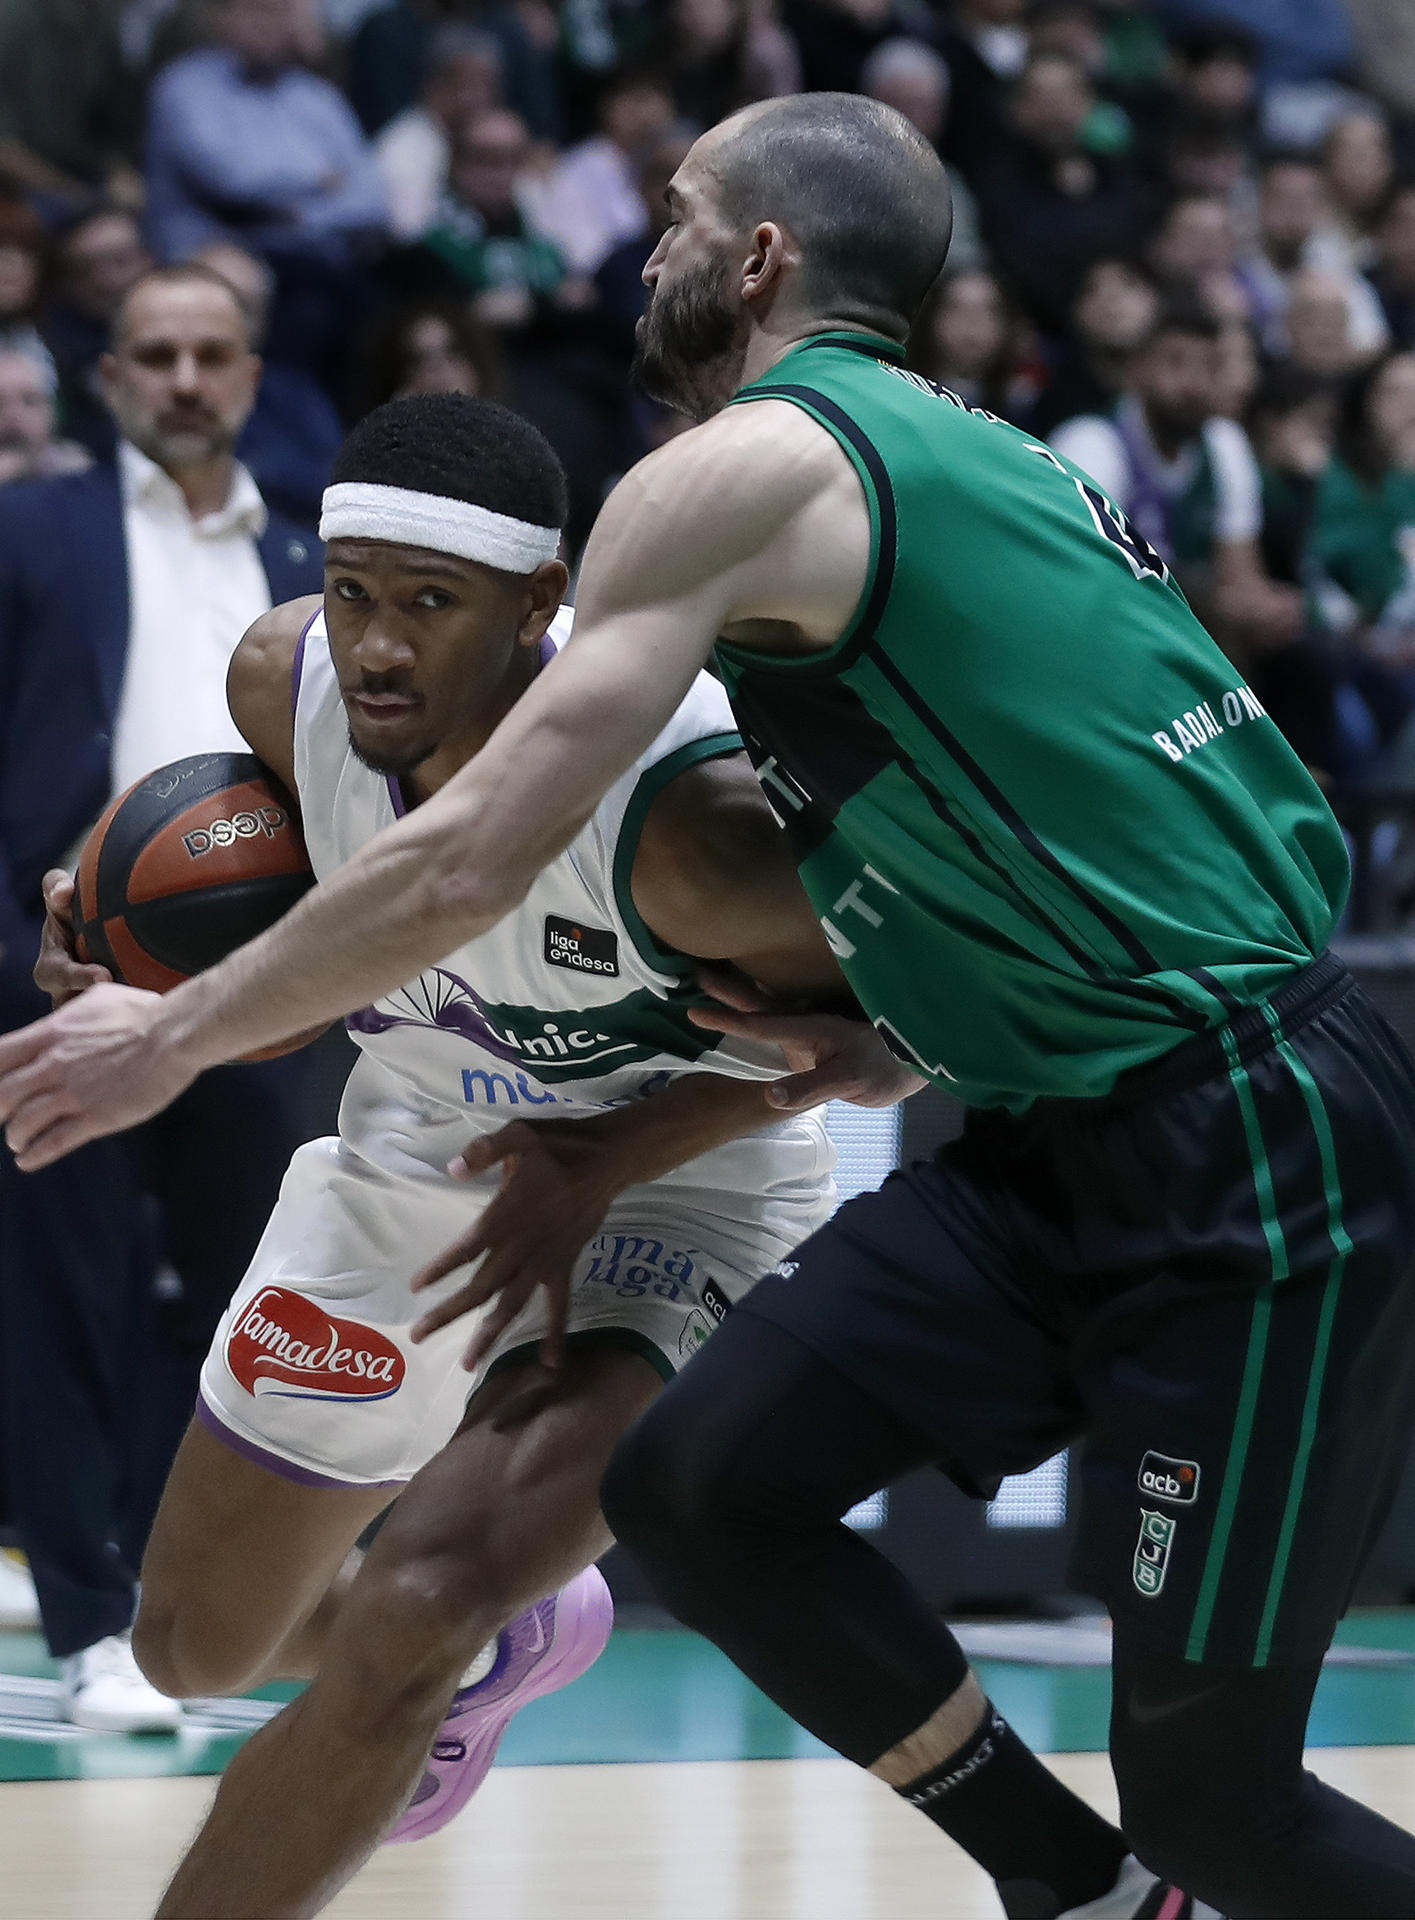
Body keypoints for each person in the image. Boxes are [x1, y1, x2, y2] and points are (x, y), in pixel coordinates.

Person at [6, 91, 1415, 1920]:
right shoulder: (970, 465)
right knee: (693, 1496)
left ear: (756, 258)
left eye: (674, 216)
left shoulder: (739, 484)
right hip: (1047, 1119)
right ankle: (1078, 1894)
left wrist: (171, 1041)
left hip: (1246, 1123)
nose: (640, 251)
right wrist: (167, 952)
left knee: (1219, 1805)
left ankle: (1126, 1874)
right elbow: (1028, 850)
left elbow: (471, 863)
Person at [74, 391, 1144, 1920]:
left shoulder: (691, 828)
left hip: (680, 1183)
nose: (376, 647)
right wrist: (128, 950)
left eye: (429, 607)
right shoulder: (282, 683)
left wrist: (618, 1147)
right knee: (194, 1645)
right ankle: (524, 1638)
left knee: (416, 1596)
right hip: (421, 1145)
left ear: (541, 607)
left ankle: (453, 1633)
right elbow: (269, 894)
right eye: (358, 593)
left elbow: (940, 1021)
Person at [0, 262, 321, 1733]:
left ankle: (197, 1611)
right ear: (109, 378)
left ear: (251, 373)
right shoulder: (32, 526)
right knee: (59, 1301)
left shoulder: (313, 566)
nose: (185, 378)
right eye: (154, 355)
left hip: (259, 993)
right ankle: (82, 1620)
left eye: (211, 353)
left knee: (245, 1311)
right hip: (59, 976)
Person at [1050, 302, 1302, 653]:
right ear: (1137, 368)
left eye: (1209, 367)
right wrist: (1216, 601)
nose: (1195, 384)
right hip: (1098, 632)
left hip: (1183, 634)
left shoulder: (1223, 442)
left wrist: (1265, 607)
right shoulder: (1093, 444)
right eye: (1176, 363)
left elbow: (1240, 576)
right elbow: (1078, 578)